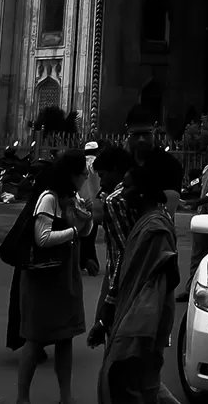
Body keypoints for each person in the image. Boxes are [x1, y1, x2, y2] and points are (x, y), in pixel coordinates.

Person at [93, 156, 182, 404]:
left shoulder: (155, 228)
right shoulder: (145, 222)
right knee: (137, 384)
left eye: (129, 187)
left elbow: (155, 284)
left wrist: (136, 330)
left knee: (138, 384)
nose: (123, 193)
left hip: (145, 321)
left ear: (143, 193)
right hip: (135, 313)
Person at [15, 148, 93, 404]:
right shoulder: (48, 198)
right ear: (71, 174)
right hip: (44, 278)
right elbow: (43, 238)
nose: (85, 177)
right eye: (82, 173)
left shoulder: (71, 198)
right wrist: (73, 229)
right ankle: (23, 398)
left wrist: (86, 219)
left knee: (65, 337)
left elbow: (83, 231)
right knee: (35, 339)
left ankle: (66, 396)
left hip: (65, 277)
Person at [90, 145, 136, 338]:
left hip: (123, 281)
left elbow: (122, 252)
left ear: (116, 171)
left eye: (102, 175)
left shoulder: (114, 201)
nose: (100, 182)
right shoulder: (140, 191)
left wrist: (109, 300)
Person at [177, 142, 208, 304]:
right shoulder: (207, 169)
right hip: (202, 218)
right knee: (196, 256)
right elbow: (199, 186)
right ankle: (190, 290)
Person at [79, 140, 103, 276]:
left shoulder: (81, 164)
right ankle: (90, 261)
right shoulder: (98, 164)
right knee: (91, 233)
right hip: (95, 202)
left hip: (81, 201)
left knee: (81, 233)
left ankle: (84, 261)